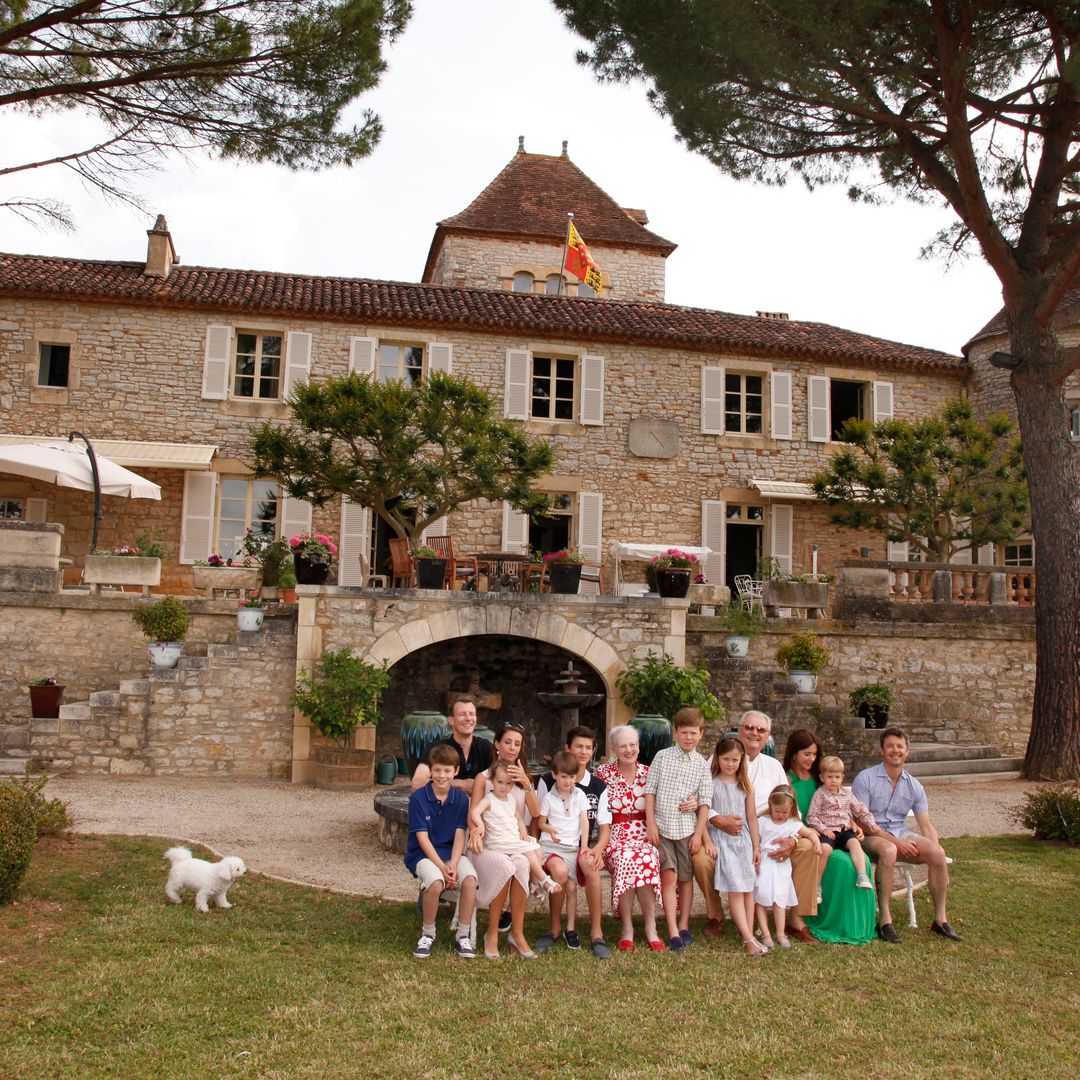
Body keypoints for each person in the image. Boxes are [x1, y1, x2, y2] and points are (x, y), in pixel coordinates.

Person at [692, 710, 818, 943]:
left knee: (808, 847)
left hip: (768, 831)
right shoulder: (716, 759)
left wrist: (794, 838)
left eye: (761, 730)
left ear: (767, 736)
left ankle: (796, 918)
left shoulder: (772, 766)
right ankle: (716, 914)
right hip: (723, 830)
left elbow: (792, 808)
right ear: (740, 730)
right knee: (701, 857)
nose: (754, 733)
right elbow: (702, 796)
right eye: (749, 727)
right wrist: (716, 818)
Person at [852, 727, 962, 944]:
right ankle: (885, 921)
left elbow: (926, 825)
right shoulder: (866, 778)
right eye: (890, 746)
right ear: (882, 750)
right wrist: (897, 843)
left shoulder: (914, 785)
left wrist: (938, 856)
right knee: (890, 849)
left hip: (899, 832)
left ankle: (940, 920)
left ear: (907, 752)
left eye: (900, 746)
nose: (896, 750)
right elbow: (861, 822)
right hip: (867, 836)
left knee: (937, 853)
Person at [782, 729, 876, 945]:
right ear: (794, 753)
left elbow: (841, 804)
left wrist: (852, 823)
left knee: (859, 862)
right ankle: (808, 918)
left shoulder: (821, 777)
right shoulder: (787, 779)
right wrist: (811, 832)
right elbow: (784, 814)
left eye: (815, 754)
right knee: (841, 863)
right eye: (807, 754)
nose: (812, 759)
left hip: (834, 832)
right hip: (804, 833)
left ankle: (854, 925)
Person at [533, 725, 613, 959]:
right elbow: (539, 819)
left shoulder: (597, 787)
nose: (583, 752)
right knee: (558, 874)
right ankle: (555, 928)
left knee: (591, 865)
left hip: (581, 846)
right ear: (567, 748)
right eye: (578, 746)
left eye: (588, 748)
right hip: (553, 847)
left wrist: (596, 850)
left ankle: (596, 933)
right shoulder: (547, 782)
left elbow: (605, 826)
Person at [645, 707, 714, 952]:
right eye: (684, 732)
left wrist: (698, 834)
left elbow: (705, 802)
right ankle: (672, 929)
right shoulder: (662, 757)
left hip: (686, 830)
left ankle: (684, 924)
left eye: (693, 733)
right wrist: (651, 823)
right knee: (669, 875)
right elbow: (650, 791)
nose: (688, 737)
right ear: (675, 732)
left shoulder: (701, 764)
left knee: (686, 878)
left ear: (701, 734)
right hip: (662, 828)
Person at [469, 723, 541, 959]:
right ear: (497, 745)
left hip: (514, 843)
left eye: (517, 744)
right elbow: (474, 813)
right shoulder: (484, 778)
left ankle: (517, 934)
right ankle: (492, 933)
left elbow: (536, 812)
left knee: (521, 864)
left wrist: (526, 782)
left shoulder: (523, 779)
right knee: (504, 866)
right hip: (489, 845)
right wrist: (476, 832)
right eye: (507, 742)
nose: (512, 748)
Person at [403, 742, 478, 959]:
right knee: (436, 882)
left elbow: (459, 834)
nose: (441, 775)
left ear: (456, 771)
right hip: (423, 855)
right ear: (430, 770)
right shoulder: (418, 798)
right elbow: (422, 838)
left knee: (470, 880)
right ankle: (428, 934)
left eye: (447, 770)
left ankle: (463, 936)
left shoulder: (461, 800)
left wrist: (453, 864)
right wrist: (442, 868)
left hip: (450, 854)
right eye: (437, 770)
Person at [594, 725, 665, 952]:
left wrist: (692, 802)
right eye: (623, 745)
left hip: (645, 835)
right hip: (614, 836)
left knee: (646, 857)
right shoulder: (603, 774)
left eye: (633, 744)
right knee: (626, 858)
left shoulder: (649, 772)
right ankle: (627, 929)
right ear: (614, 748)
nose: (629, 749)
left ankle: (651, 928)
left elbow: (666, 801)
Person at [706, 736, 762, 956]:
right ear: (717, 758)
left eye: (735, 760)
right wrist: (708, 841)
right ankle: (749, 939)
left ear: (742, 761)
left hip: (744, 841)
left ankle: (747, 934)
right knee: (737, 890)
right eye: (726, 759)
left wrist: (756, 847)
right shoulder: (711, 783)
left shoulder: (745, 785)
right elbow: (703, 814)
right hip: (722, 840)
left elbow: (752, 818)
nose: (730, 764)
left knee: (748, 888)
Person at [470, 760, 561, 895]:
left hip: (511, 838)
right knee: (529, 851)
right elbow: (474, 812)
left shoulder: (511, 799)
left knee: (536, 847)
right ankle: (544, 880)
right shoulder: (489, 799)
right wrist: (480, 824)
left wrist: (523, 832)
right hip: (498, 840)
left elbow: (519, 818)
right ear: (492, 780)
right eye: (500, 782)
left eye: (508, 784)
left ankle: (535, 882)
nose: (503, 787)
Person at [532, 750, 591, 952]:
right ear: (555, 775)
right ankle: (540, 887)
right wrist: (551, 830)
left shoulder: (580, 795)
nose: (568, 781)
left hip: (572, 848)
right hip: (551, 846)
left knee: (572, 889)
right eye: (564, 776)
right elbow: (541, 823)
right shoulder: (549, 797)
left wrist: (583, 847)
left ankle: (571, 929)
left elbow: (584, 821)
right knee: (560, 873)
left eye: (572, 777)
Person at [807, 755, 884, 898]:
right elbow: (812, 816)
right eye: (829, 777)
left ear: (842, 777)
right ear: (822, 777)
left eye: (837, 777)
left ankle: (862, 875)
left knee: (855, 844)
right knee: (824, 850)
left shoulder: (847, 794)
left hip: (844, 830)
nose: (834, 780)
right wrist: (823, 829)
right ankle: (817, 885)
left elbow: (860, 809)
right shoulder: (820, 795)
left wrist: (871, 823)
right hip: (827, 831)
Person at [756, 785, 821, 949]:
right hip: (764, 863)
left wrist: (817, 844)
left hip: (781, 866)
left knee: (780, 899)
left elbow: (810, 833)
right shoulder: (762, 821)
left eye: (784, 812)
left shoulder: (792, 823)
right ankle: (765, 933)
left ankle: (780, 933)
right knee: (761, 898)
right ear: (770, 804)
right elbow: (755, 840)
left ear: (792, 808)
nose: (780, 815)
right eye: (777, 811)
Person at [410, 699, 492, 795]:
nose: (468, 718)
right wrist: (459, 784)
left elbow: (502, 779)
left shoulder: (485, 746)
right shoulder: (436, 748)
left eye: (472, 714)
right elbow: (417, 784)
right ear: (451, 720)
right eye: (462, 714)